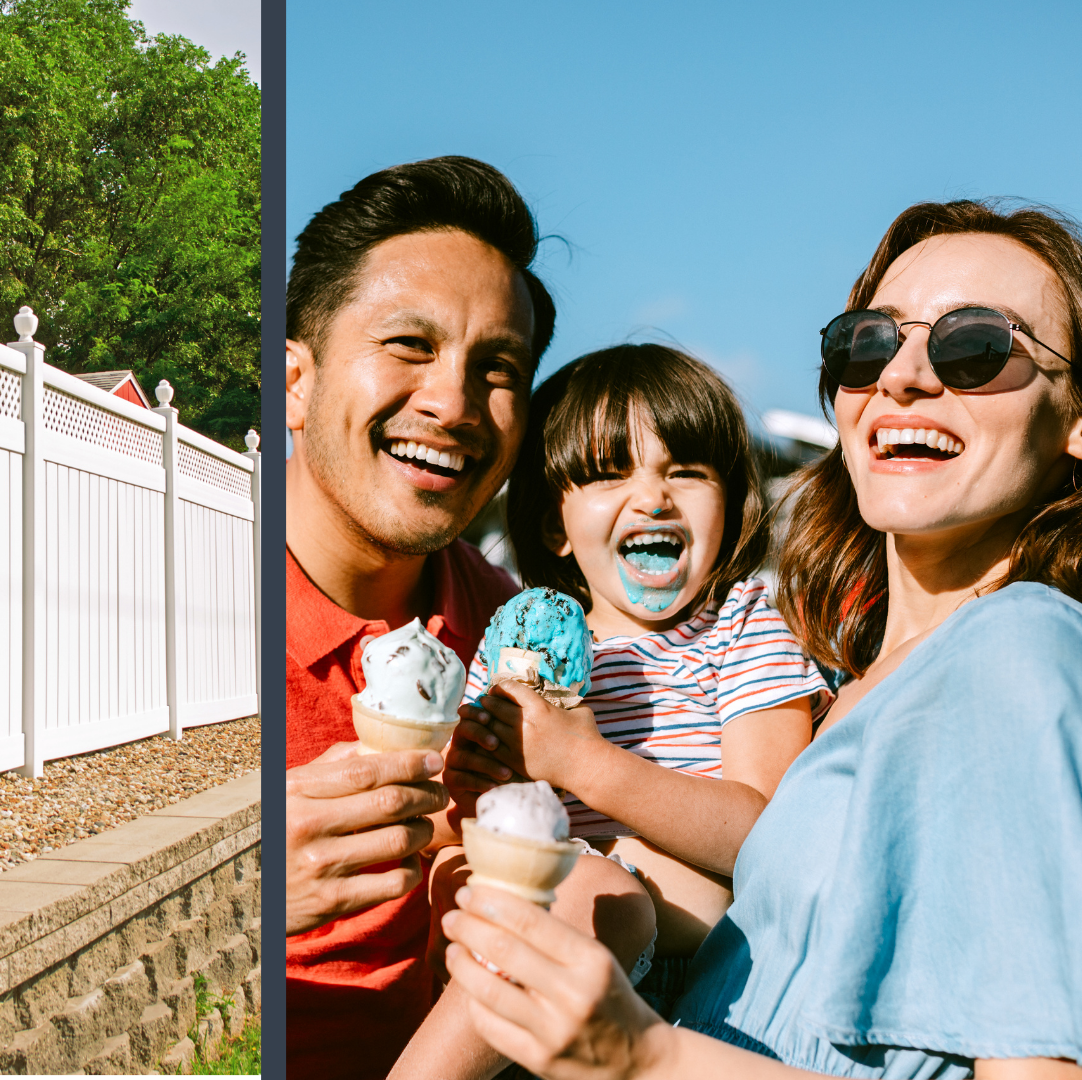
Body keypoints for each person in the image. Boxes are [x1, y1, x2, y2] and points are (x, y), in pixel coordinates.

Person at [439, 198, 1082, 1079]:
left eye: (975, 345)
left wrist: (641, 1056)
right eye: (868, 343)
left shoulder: (1012, 650)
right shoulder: (862, 684)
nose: (902, 376)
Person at [392, 345, 830, 1080]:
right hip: (510, 977)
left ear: (731, 502)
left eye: (685, 471)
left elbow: (765, 836)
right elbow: (445, 825)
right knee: (573, 888)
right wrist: (469, 790)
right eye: (607, 473)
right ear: (557, 525)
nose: (653, 498)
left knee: (610, 897)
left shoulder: (743, 628)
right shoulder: (519, 640)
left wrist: (583, 763)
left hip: (678, 999)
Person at [284, 156, 560, 1080]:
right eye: (409, 344)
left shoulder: (523, 645)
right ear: (295, 379)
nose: (451, 403)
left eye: (499, 368)